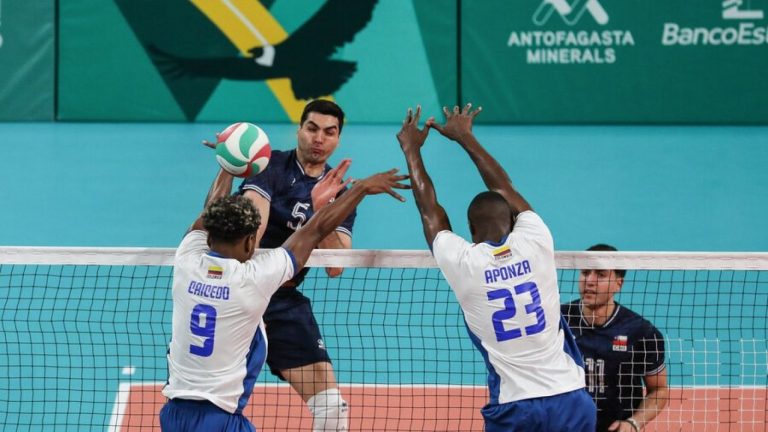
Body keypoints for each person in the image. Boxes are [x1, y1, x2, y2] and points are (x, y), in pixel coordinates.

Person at [160, 163, 410, 431]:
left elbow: (207, 214)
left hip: (174, 414)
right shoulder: (253, 279)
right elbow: (313, 231)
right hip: (221, 420)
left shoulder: (186, 260)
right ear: (249, 244)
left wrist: (227, 166)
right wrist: (359, 189)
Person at [396, 103, 596, 431]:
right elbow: (504, 188)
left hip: (515, 407)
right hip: (570, 398)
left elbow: (429, 211)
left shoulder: (465, 263)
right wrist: (465, 137)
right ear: (513, 220)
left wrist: (411, 150)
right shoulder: (536, 240)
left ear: (471, 232)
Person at [233, 99, 357, 431]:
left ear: (338, 139)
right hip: (240, 294)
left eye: (329, 132)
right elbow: (251, 230)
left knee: (332, 410)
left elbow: (336, 265)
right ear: (299, 129)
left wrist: (324, 210)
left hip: (283, 303)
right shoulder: (270, 166)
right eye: (312, 128)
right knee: (219, 400)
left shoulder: (341, 191)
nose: (319, 139)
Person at [561, 244, 669, 432]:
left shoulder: (641, 333)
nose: (590, 281)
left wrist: (634, 422)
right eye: (585, 273)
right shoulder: (558, 321)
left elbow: (658, 391)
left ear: (619, 283)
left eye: (601, 275)